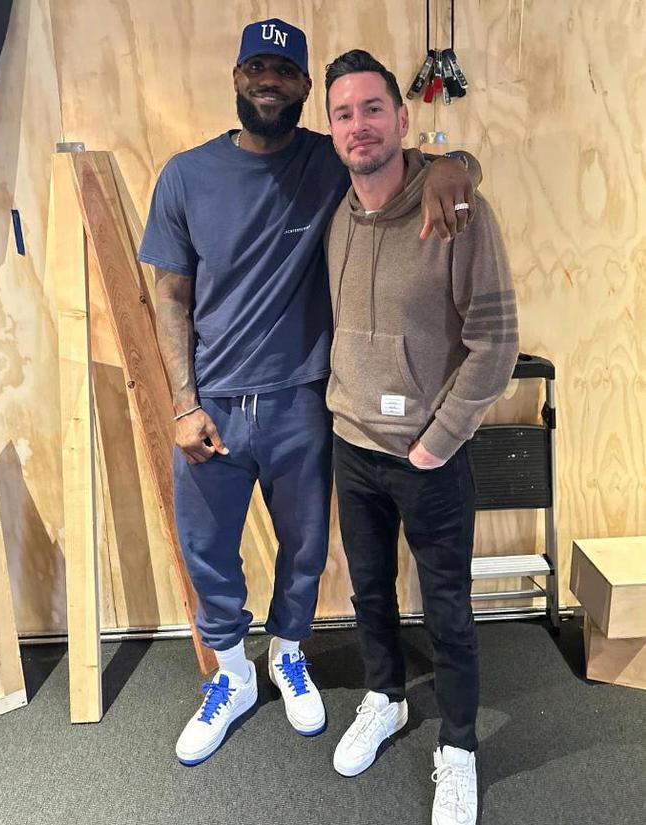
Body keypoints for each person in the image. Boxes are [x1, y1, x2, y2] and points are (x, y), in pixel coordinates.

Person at [138, 19, 482, 767]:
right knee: (207, 551)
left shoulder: (329, 160)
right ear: (237, 77)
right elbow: (169, 296)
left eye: (284, 72)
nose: (269, 82)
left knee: (304, 550)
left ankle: (287, 653)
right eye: (256, 68)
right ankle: (232, 676)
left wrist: (457, 162)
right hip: (212, 405)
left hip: (302, 398)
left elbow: (404, 157)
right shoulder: (184, 176)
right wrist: (182, 404)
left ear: (302, 88)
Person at [324, 50, 518, 824]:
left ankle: (459, 747)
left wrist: (439, 441)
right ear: (331, 129)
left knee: (448, 611)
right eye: (344, 113)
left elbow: (495, 342)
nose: (360, 125)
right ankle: (386, 696)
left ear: (403, 118)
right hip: (351, 447)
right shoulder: (337, 210)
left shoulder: (457, 210)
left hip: (427, 457)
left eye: (374, 108)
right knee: (369, 591)